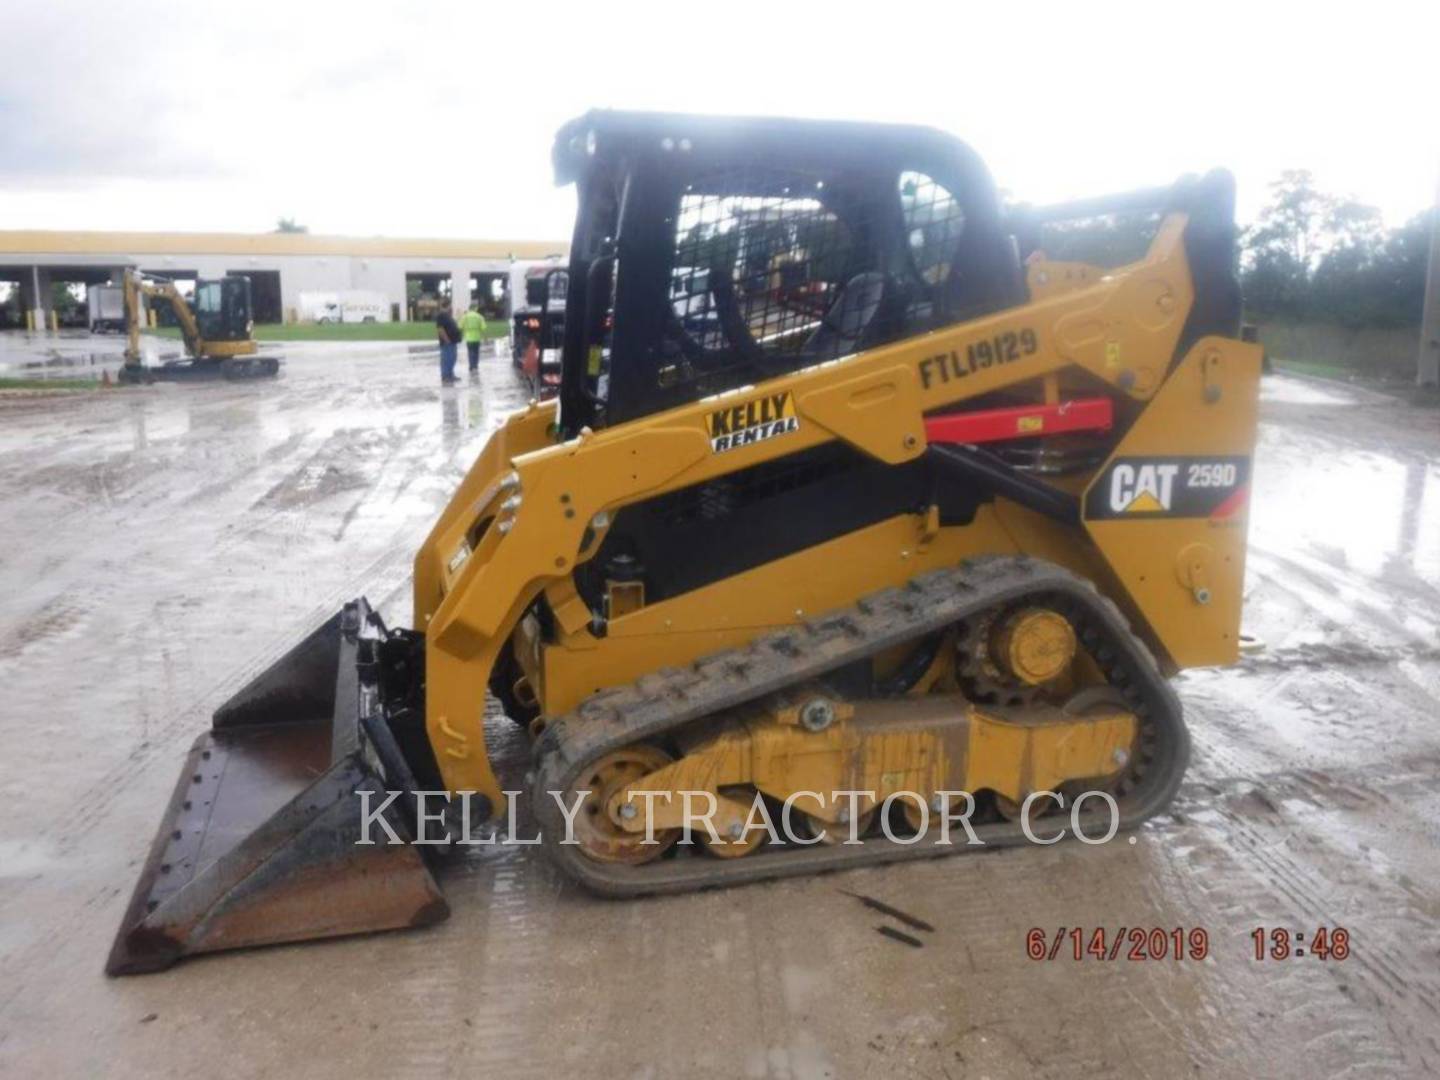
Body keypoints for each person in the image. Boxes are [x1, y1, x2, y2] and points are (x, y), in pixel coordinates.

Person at [435, 300, 461, 385]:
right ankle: (445, 376)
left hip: (452, 341)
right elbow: (440, 329)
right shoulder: (441, 315)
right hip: (447, 342)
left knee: (452, 359)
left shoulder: (447, 315)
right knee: (446, 359)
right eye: (451, 305)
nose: (452, 307)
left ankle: (451, 374)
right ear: (448, 306)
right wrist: (446, 340)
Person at [459, 301, 488, 375]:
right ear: (476, 308)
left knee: (470, 352)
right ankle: (475, 366)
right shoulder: (479, 316)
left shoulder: (465, 316)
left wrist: (461, 336)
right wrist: (485, 338)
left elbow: (460, 327)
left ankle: (471, 366)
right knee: (476, 353)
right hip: (477, 338)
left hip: (468, 338)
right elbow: (483, 328)